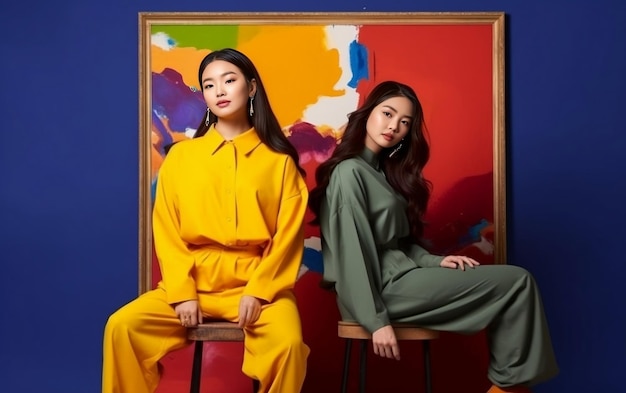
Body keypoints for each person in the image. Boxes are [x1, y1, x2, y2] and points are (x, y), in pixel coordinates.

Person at [308, 81, 558, 393]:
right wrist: (375, 320)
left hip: (397, 281)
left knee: (517, 284)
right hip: (377, 293)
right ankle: (506, 389)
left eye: (404, 122)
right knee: (517, 282)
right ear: (368, 112)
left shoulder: (382, 173)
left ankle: (506, 387)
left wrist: (437, 261)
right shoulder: (349, 173)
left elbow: (397, 245)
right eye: (387, 113)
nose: (393, 126)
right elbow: (351, 254)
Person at [103, 48, 309, 393]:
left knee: (289, 346)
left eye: (230, 80)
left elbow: (288, 237)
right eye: (209, 85)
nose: (220, 91)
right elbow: (166, 228)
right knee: (122, 326)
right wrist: (182, 293)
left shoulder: (279, 162)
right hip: (192, 280)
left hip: (257, 284)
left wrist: (259, 293)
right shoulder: (182, 157)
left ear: (252, 87)